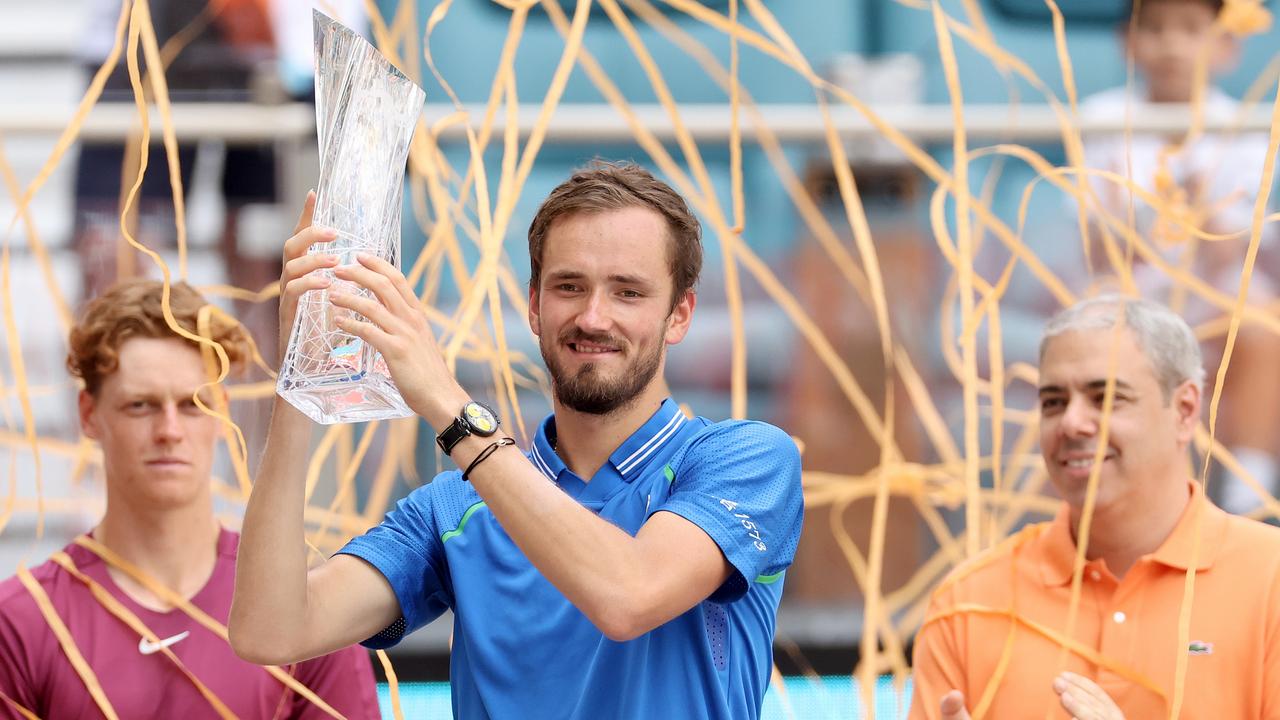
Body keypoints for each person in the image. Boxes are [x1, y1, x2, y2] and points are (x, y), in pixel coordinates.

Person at [230, 162, 805, 719]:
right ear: (533, 305)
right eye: (569, 286)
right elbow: (270, 629)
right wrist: (301, 376)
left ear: (679, 315)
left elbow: (628, 596)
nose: (593, 317)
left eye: (627, 292)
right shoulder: (453, 508)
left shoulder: (745, 458)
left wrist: (448, 405)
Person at [0, 279, 380, 719]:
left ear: (221, 411)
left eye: (192, 404)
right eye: (140, 405)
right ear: (89, 414)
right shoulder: (24, 622)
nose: (169, 431)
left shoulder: (305, 609)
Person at [910, 295, 1280, 719]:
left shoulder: (1270, 579)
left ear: (1185, 410)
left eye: (1104, 397)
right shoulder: (968, 602)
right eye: (1053, 402)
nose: (1071, 422)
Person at [1075, 0, 1280, 514]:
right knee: (1103, 335)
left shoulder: (1243, 125)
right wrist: (1141, 220)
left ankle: (1246, 494)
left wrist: (1194, 209)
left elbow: (1230, 251)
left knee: (1262, 329)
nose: (1172, 45)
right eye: (1156, 28)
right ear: (1128, 41)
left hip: (1215, 295)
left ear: (1227, 48)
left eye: (1193, 30)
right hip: (1131, 290)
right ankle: (1127, 489)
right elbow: (1100, 248)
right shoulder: (1100, 118)